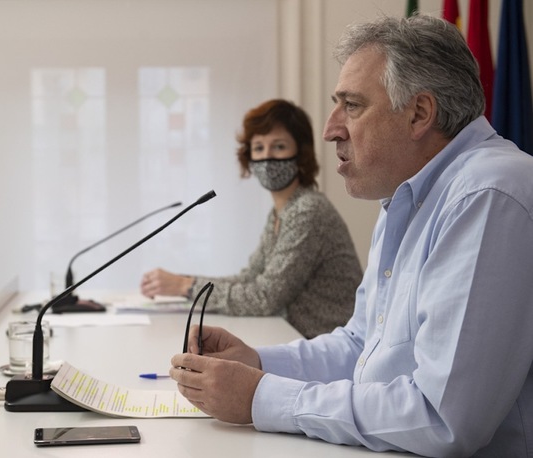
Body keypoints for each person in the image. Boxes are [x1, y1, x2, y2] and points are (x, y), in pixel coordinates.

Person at [169, 14, 533, 458]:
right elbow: (362, 346)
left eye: (352, 106)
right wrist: (259, 364)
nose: (330, 129)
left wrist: (261, 397)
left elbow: (442, 418)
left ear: (419, 113)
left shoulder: (487, 194)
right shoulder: (407, 195)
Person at [140, 99, 362, 338]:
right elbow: (249, 278)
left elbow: (265, 297)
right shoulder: (282, 211)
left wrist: (185, 287)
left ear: (301, 153)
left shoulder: (307, 210)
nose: (267, 158)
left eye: (278, 147)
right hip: (297, 340)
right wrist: (184, 281)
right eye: (258, 148)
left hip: (329, 351)